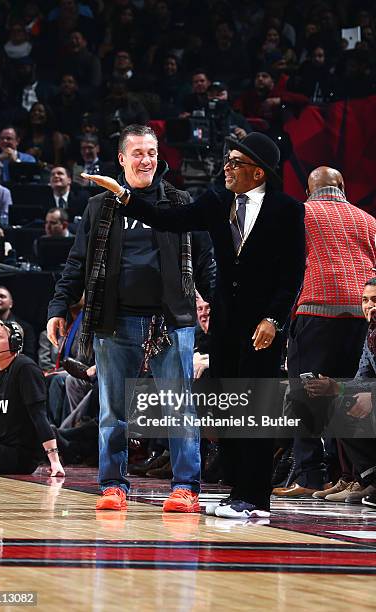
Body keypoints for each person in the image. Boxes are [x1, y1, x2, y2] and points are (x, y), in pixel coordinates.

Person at [82, 130, 306, 519]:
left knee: (253, 410)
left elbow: (292, 276)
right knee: (226, 408)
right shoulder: (217, 200)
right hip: (224, 325)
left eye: (236, 163)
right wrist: (123, 195)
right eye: (228, 160)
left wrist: (274, 319)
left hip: (262, 327)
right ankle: (238, 491)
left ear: (258, 172)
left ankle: (256, 499)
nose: (227, 168)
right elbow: (167, 218)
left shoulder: (287, 210)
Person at [47, 124, 215, 513]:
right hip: (115, 319)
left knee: (178, 405)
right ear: (121, 159)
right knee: (113, 409)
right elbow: (76, 264)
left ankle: (186, 487)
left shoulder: (178, 201)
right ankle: (113, 485)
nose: (146, 160)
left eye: (152, 152)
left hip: (170, 320)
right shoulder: (98, 207)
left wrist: (215, 302)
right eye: (137, 152)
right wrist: (58, 307)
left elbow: (206, 258)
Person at [274, 167, 376, 498]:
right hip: (364, 313)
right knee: (346, 394)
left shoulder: (299, 213)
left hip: (317, 311)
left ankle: (309, 476)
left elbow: (285, 266)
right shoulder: (368, 220)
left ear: (307, 190)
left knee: (307, 394)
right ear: (343, 187)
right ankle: (348, 475)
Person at [303, 278, 376, 509]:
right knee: (338, 404)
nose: (369, 305)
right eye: (364, 300)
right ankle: (366, 479)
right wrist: (336, 387)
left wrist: (372, 397)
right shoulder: (371, 334)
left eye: (375, 300)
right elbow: (360, 380)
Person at [0, 320, 64, 476]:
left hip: (18, 453)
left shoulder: (25, 368)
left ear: (15, 341)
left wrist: (54, 460)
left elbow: (39, 417)